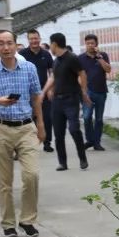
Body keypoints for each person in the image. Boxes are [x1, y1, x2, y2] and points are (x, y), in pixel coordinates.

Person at [0, 29, 45, 237]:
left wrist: (40, 124)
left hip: (25, 127)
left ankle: (28, 220)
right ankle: (8, 223)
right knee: (4, 181)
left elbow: (36, 97)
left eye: (9, 43)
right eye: (1, 44)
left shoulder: (29, 68)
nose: (5, 48)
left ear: (16, 45)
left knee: (31, 175)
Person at [47, 32, 90, 172]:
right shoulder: (56, 61)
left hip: (71, 99)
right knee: (58, 134)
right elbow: (54, 77)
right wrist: (48, 90)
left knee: (74, 129)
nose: (50, 48)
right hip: (57, 102)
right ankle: (62, 163)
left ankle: (82, 158)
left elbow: (82, 73)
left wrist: (83, 92)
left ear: (54, 44)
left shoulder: (72, 58)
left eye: (50, 45)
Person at [19, 29, 56, 152]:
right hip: (27, 93)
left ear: (39, 39)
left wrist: (50, 89)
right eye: (31, 39)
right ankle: (28, 143)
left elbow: (51, 72)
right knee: (28, 119)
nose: (34, 41)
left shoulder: (46, 54)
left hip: (43, 92)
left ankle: (47, 142)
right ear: (28, 40)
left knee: (47, 118)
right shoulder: (22, 54)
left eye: (36, 38)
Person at [78, 33, 112, 151]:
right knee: (87, 117)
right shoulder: (80, 58)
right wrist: (82, 91)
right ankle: (90, 140)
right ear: (85, 44)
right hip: (87, 92)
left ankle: (96, 142)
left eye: (92, 43)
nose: (90, 45)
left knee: (98, 119)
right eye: (88, 43)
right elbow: (77, 76)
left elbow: (108, 70)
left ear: (96, 44)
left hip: (101, 91)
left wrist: (99, 57)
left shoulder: (103, 55)